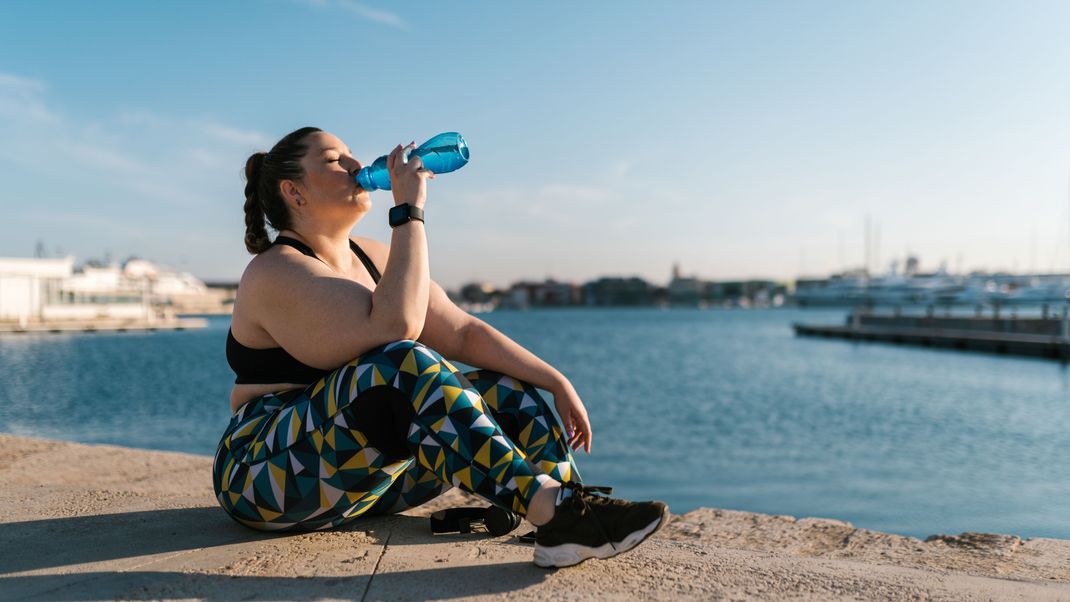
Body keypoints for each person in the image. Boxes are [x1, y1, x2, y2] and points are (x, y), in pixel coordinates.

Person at [212, 126, 668, 568]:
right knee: (400, 363)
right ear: (294, 192)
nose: (355, 165)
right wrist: (408, 210)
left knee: (505, 389)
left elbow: (463, 332)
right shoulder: (275, 272)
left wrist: (554, 381)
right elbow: (396, 330)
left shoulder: (374, 254)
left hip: (366, 484)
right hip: (265, 479)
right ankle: (557, 510)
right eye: (334, 160)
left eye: (352, 154)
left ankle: (567, 521)